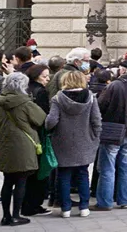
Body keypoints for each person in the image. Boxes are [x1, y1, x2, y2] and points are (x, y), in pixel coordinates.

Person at [45, 70, 101, 218]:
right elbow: (96, 120)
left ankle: (66, 209)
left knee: (63, 175)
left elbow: (51, 121)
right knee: (83, 174)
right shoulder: (90, 98)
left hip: (62, 141)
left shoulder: (58, 98)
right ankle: (84, 207)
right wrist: (95, 136)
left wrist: (49, 129)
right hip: (85, 140)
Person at [95, 58, 127, 211]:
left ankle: (105, 202)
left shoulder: (114, 86)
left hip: (112, 130)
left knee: (107, 168)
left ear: (123, 70)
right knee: (126, 167)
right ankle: (125, 199)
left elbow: (100, 106)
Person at [0, 72, 46, 227]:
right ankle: (15, 215)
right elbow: (41, 118)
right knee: (21, 181)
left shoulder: (0, 101)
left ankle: (6, 216)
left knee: (8, 181)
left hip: (5, 144)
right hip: (24, 145)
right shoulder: (25, 102)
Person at [20, 64, 51, 217]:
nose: (47, 79)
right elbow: (44, 116)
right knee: (39, 172)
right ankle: (32, 205)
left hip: (26, 134)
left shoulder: (25, 89)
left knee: (28, 173)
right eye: (44, 76)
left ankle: (26, 204)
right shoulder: (41, 92)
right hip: (38, 135)